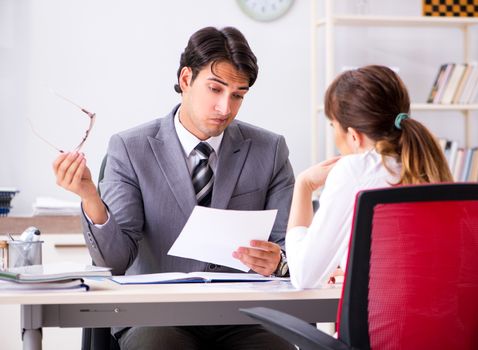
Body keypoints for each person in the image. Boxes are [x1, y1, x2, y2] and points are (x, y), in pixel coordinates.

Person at [52, 26, 295, 350]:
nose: (226, 107)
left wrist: (278, 260)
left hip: (244, 316)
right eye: (215, 89)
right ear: (185, 80)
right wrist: (90, 197)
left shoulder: (270, 149)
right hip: (156, 315)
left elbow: (290, 251)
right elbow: (116, 260)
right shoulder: (130, 147)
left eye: (238, 95)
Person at [285, 65, 453, 289]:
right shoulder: (427, 165)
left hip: (383, 324)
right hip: (446, 323)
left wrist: (303, 185)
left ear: (354, 136)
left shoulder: (354, 170)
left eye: (334, 125)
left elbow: (303, 277)